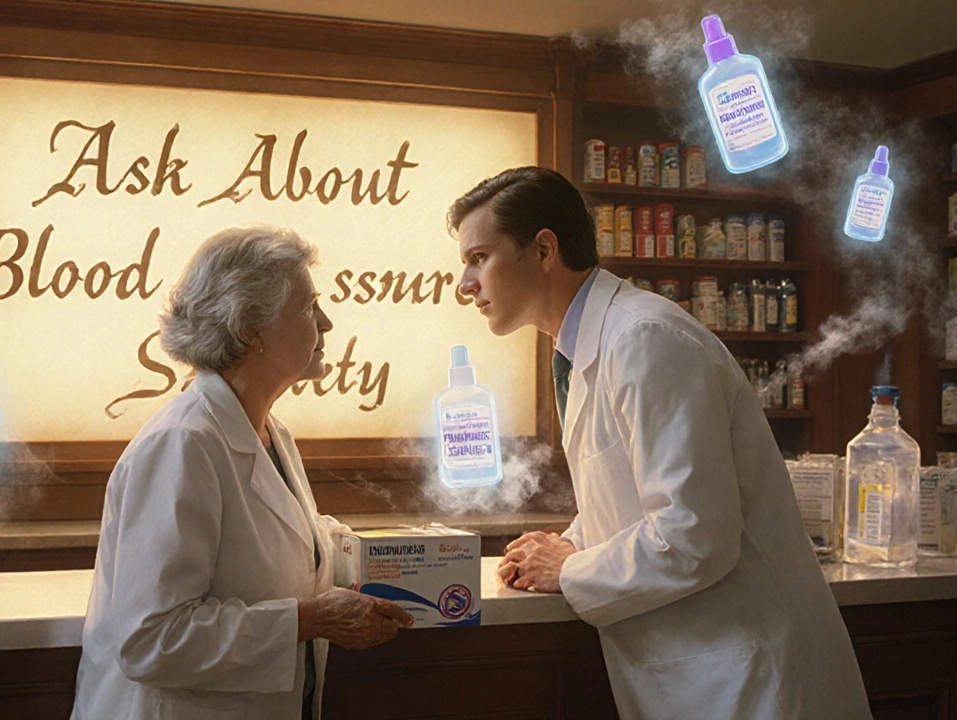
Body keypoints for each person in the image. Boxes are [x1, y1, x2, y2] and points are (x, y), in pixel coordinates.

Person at [449, 167, 871, 719]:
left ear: (544, 248)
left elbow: (694, 534)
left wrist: (567, 569)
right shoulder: (583, 350)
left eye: (479, 257)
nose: (464, 285)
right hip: (700, 673)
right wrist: (571, 542)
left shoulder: (645, 338)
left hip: (751, 679)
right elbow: (634, 493)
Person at [72, 226, 413, 720]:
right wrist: (307, 620)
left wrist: (411, 556)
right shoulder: (183, 445)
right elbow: (152, 639)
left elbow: (298, 546)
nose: (327, 322)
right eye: (308, 308)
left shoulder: (269, 432)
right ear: (251, 328)